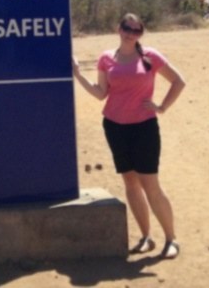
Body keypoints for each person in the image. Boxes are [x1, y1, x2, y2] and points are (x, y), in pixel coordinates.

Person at [72, 13, 186, 258]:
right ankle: (146, 237)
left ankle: (171, 239)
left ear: (140, 34)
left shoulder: (150, 57)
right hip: (114, 126)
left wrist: (162, 107)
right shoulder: (106, 58)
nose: (131, 33)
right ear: (119, 28)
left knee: (150, 185)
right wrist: (79, 75)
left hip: (144, 127)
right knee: (131, 184)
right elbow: (101, 92)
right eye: (127, 28)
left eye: (137, 30)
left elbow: (178, 81)